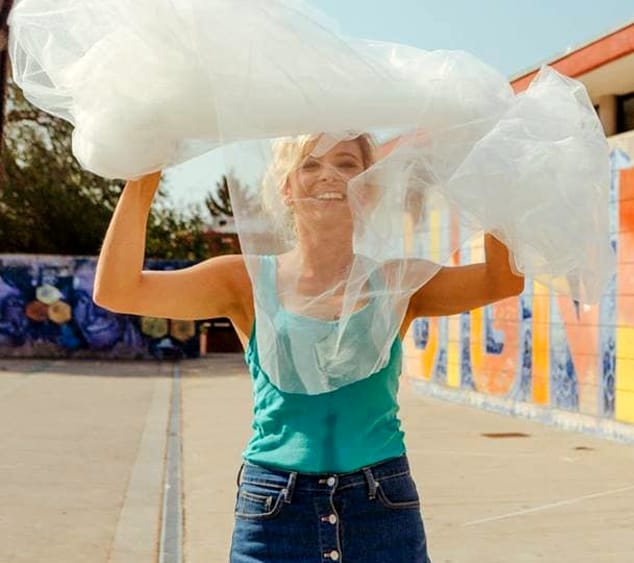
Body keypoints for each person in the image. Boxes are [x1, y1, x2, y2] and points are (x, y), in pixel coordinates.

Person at [93, 132, 525, 562]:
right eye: (310, 165)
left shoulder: (397, 283)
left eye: (347, 164)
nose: (329, 176)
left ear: (369, 187)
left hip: (383, 507)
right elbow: (118, 289)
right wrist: (143, 176)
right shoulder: (244, 282)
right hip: (274, 511)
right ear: (286, 187)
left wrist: (493, 184)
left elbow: (501, 279)